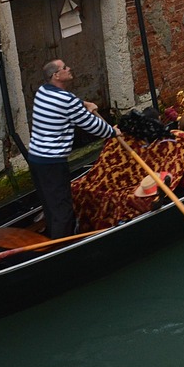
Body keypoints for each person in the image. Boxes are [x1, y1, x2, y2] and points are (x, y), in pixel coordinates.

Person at [28, 59, 120, 238]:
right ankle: (63, 247)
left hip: (35, 160)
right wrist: (113, 131)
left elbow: (67, 103)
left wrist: (83, 104)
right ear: (56, 75)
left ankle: (55, 240)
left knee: (50, 205)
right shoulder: (66, 101)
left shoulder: (42, 91)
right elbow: (93, 126)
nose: (69, 69)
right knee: (63, 209)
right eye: (65, 68)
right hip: (52, 163)